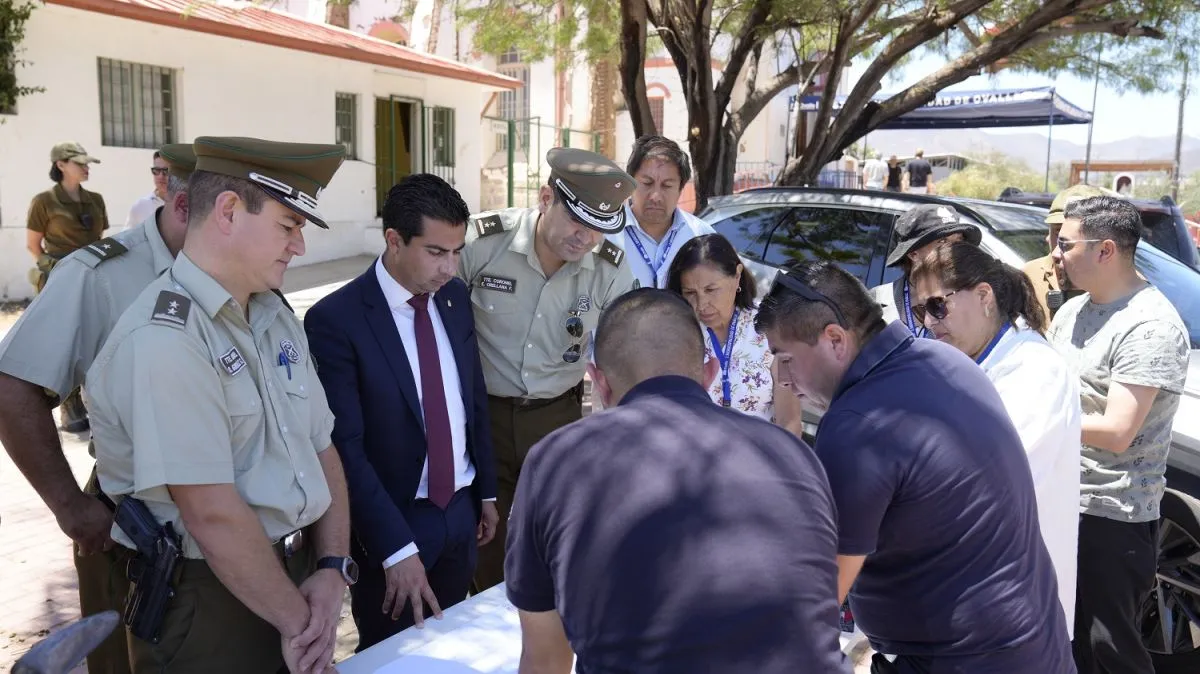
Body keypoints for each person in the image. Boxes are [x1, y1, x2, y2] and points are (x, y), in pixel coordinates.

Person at [85, 137, 353, 674]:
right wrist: (301, 625)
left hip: (293, 579)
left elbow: (320, 446)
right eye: (288, 225)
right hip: (209, 605)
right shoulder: (166, 339)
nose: (298, 246)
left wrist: (330, 565)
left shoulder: (271, 315)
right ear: (229, 211)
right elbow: (210, 513)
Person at [505, 289, 850, 673]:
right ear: (708, 373)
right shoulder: (794, 455)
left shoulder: (556, 461)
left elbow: (545, 660)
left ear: (599, 383)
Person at [756, 261, 1073, 673]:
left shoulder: (856, 423)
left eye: (784, 358)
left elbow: (818, 595)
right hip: (1036, 642)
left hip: (958, 659)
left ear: (835, 339)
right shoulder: (943, 358)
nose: (781, 378)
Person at [0, 143, 194, 674]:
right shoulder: (99, 274)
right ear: (185, 204)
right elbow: (14, 386)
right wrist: (69, 506)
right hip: (138, 536)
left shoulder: (235, 270)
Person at [304, 174, 500, 651]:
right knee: (395, 655)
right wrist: (394, 546)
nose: (450, 267)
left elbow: (471, 398)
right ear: (394, 240)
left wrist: (487, 493)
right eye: (436, 252)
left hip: (462, 511)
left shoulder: (453, 299)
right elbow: (344, 448)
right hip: (394, 525)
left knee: (453, 648)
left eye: (457, 251)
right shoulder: (337, 320)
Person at [459, 147, 636, 591]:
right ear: (544, 197)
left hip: (557, 417)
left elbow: (625, 352)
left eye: (599, 228)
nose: (586, 238)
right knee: (486, 542)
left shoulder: (610, 270)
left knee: (551, 546)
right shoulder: (482, 244)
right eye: (578, 221)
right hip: (482, 418)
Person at [1047, 195, 1190, 674]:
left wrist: (1028, 416)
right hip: (1060, 504)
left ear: (1105, 250)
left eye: (1065, 244)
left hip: (1113, 518)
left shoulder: (1149, 325)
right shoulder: (1071, 312)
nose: (1054, 253)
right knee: (1062, 644)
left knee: (1110, 653)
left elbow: (1117, 432)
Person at [909, 241, 1082, 636]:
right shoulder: (967, 364)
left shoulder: (1035, 370)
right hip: (975, 598)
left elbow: (991, 485)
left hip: (1016, 610)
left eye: (937, 305)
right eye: (920, 311)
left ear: (984, 295)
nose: (928, 322)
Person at [665, 233, 803, 432]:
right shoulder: (678, 336)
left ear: (737, 275)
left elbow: (789, 422)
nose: (702, 304)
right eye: (690, 293)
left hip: (761, 456)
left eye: (711, 289)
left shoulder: (770, 329)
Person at [26, 141, 112, 432]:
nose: (86, 168)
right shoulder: (44, 202)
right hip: (60, 278)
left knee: (98, 338)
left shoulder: (96, 200)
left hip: (94, 276)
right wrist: (54, 271)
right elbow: (34, 246)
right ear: (60, 165)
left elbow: (100, 238)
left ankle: (100, 401)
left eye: (88, 164)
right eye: (80, 163)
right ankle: (69, 405)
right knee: (64, 342)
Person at [604, 135, 713, 290]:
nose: (655, 196)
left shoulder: (701, 236)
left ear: (680, 189)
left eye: (667, 186)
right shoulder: (604, 236)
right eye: (647, 183)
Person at [873, 203, 981, 336]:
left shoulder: (973, 300)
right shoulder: (876, 302)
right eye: (942, 242)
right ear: (913, 254)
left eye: (958, 240)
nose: (954, 249)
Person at [1022, 184, 1104, 322]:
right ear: (1048, 235)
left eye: (1077, 234)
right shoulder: (1028, 276)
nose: (1063, 243)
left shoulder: (1124, 285)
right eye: (1057, 231)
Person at [126, 151, 169, 228]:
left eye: (166, 171)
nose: (160, 176)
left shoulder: (188, 206)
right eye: (156, 170)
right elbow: (127, 238)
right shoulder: (140, 207)